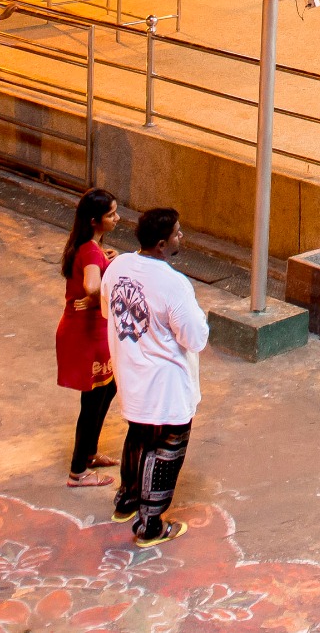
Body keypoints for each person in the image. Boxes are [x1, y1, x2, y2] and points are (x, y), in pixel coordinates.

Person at [106, 205, 211, 544]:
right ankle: (150, 524)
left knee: (138, 435)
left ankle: (127, 499)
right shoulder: (173, 284)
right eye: (179, 233)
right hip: (166, 385)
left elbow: (107, 303)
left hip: (131, 375)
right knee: (166, 448)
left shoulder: (118, 266)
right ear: (162, 244)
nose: (183, 237)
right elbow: (195, 337)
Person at [58, 189, 123, 487]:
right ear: (96, 221)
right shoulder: (90, 252)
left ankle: (90, 453)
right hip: (88, 335)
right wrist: (97, 299)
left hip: (94, 332)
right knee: (93, 401)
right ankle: (77, 471)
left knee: (106, 391)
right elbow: (92, 284)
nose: (117, 218)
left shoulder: (87, 246)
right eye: (111, 215)